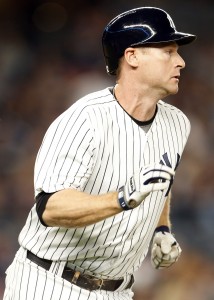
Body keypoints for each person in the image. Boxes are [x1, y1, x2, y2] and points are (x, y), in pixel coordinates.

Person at [3, 6, 196, 300]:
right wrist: (120, 198)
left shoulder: (177, 124)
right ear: (132, 56)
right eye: (168, 51)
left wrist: (161, 229)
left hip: (118, 290)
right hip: (50, 282)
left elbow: (159, 184)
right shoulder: (85, 118)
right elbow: (50, 207)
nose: (180, 61)